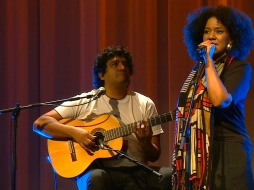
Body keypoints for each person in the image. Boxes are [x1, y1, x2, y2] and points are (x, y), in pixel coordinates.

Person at [33, 45, 172, 190]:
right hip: (98, 171)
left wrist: (145, 143)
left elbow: (154, 155)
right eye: (115, 64)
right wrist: (76, 133)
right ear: (101, 75)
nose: (122, 67)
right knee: (97, 178)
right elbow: (41, 123)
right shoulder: (86, 101)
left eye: (125, 64)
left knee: (171, 176)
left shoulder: (145, 104)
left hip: (137, 172)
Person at [172, 5, 254, 190]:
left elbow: (220, 100)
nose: (211, 36)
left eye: (219, 31)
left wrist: (208, 60)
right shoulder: (197, 72)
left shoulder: (240, 68)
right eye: (207, 31)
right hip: (199, 152)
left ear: (231, 38)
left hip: (229, 150)